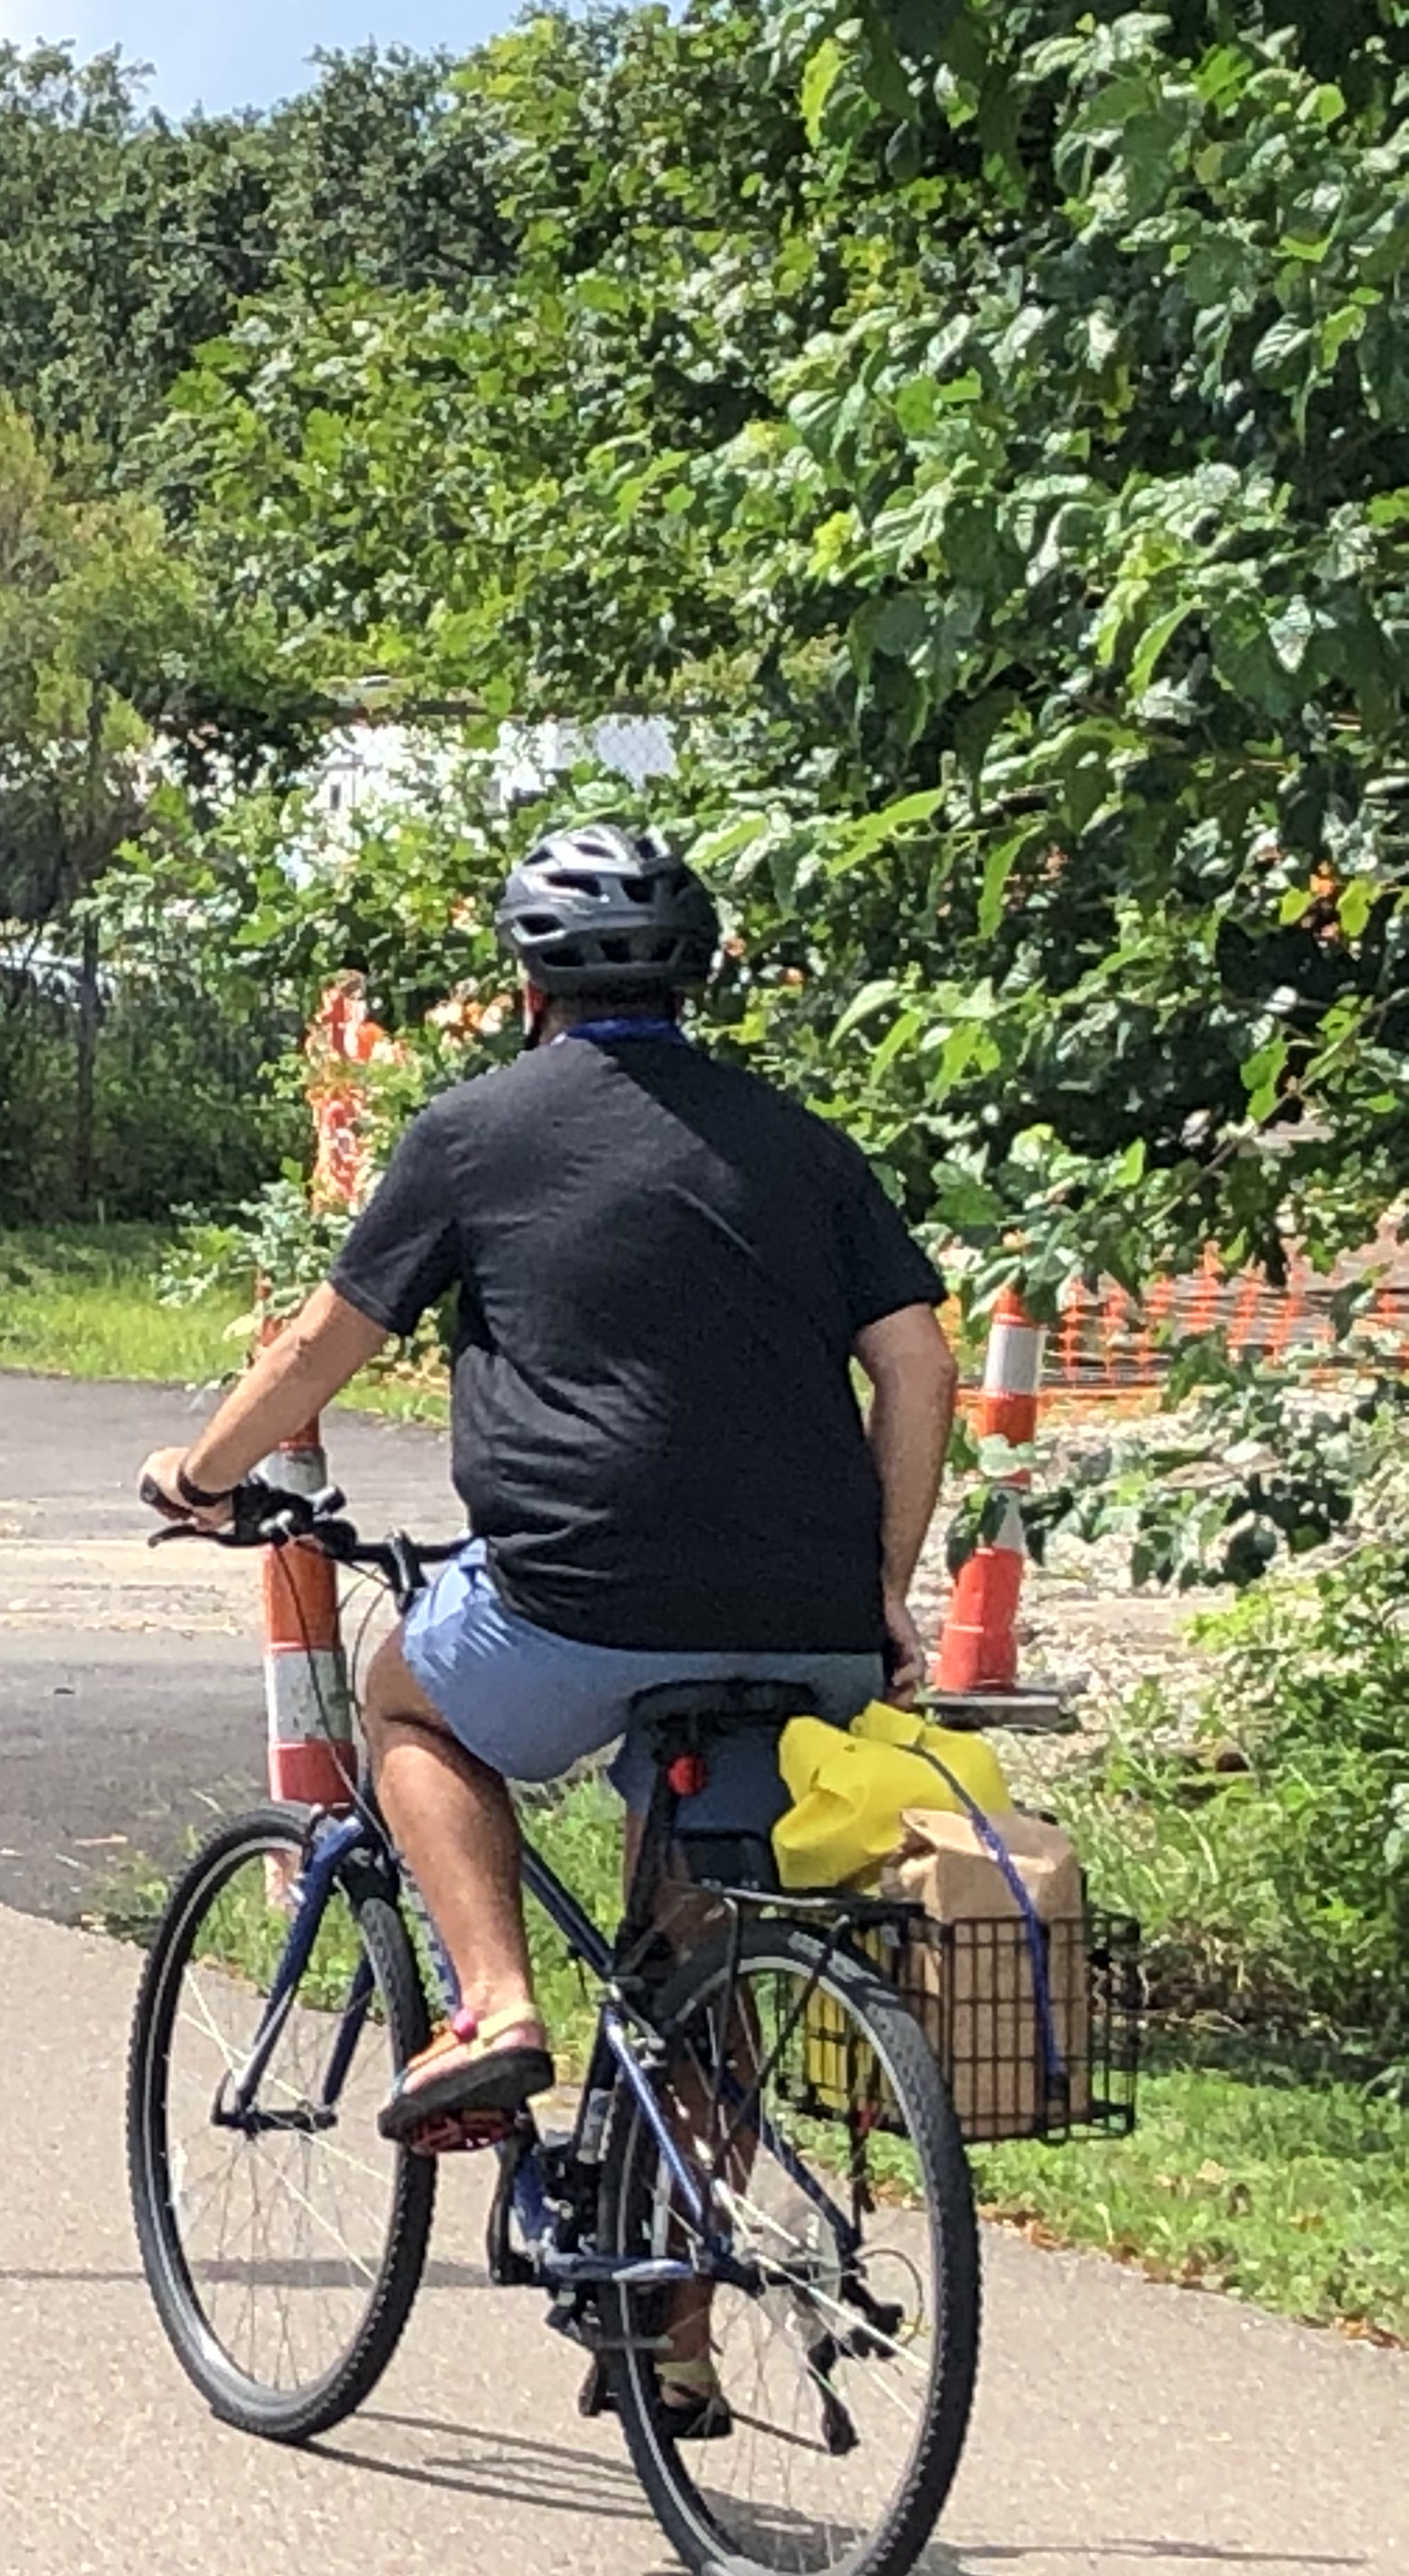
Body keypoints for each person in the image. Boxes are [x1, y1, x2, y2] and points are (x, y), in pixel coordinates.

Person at [139, 823, 961, 2160]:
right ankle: (677, 2353)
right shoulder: (803, 1146)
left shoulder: (473, 1135)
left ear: (530, 989)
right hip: (813, 1625)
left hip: (581, 1597)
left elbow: (319, 1346)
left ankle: (496, 2008)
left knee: (406, 1694)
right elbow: (918, 1366)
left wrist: (200, 1474)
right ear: (693, 983)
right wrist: (881, 1583)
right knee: (697, 1964)